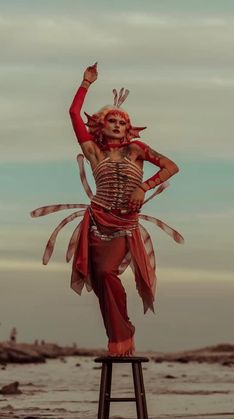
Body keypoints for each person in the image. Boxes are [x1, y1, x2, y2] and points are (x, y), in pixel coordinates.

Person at [31, 63, 183, 357]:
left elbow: (171, 166)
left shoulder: (137, 150)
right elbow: (74, 114)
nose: (117, 125)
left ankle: (123, 333)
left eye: (122, 122)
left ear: (128, 128)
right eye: (111, 121)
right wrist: (85, 83)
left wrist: (144, 186)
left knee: (106, 272)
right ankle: (119, 337)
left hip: (125, 223)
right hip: (97, 220)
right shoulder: (94, 152)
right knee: (101, 279)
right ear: (101, 125)